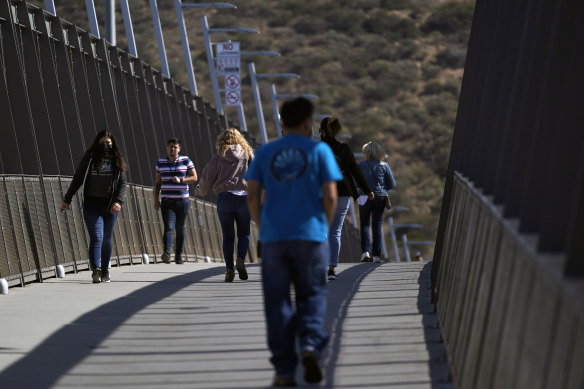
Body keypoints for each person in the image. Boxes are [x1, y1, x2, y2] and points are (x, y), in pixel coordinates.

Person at [245, 98, 342, 387]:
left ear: (282, 123)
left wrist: (264, 227)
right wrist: (322, 227)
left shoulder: (265, 152)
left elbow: (251, 195)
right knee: (311, 295)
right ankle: (310, 346)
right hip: (310, 236)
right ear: (307, 122)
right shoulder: (319, 150)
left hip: (275, 238)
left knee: (277, 303)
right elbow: (331, 196)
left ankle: (284, 370)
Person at [60, 130, 128, 283]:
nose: (106, 145)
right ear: (98, 142)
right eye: (103, 142)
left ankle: (105, 270)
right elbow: (78, 178)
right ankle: (95, 270)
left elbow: (123, 182)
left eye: (109, 143)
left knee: (106, 238)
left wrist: (118, 201)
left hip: (110, 207)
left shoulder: (117, 159)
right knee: (96, 237)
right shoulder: (90, 158)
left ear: (113, 144)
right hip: (91, 205)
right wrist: (67, 199)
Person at [319, 117, 374, 280]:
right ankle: (331, 269)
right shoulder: (344, 148)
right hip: (343, 192)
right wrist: (367, 190)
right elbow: (356, 171)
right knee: (335, 232)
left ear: (322, 131)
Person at [195, 128, 253, 282]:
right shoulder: (247, 155)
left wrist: (199, 191)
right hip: (243, 198)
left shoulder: (218, 158)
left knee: (228, 236)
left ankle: (229, 269)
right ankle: (240, 259)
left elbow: (207, 179)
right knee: (244, 234)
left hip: (225, 198)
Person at [153, 138, 197, 264]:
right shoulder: (160, 162)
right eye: (170, 146)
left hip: (183, 200)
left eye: (175, 147)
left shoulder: (186, 160)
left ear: (179, 148)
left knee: (180, 228)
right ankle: (167, 253)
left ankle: (178, 255)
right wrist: (156, 200)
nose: (173, 149)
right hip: (167, 201)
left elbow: (194, 177)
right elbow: (157, 183)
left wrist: (182, 180)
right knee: (169, 227)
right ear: (167, 147)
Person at [358, 141, 396, 263]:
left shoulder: (360, 165)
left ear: (366, 153)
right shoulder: (384, 166)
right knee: (377, 225)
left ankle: (365, 252)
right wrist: (382, 189)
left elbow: (354, 183)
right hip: (379, 197)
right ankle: (377, 256)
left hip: (363, 196)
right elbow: (392, 184)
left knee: (364, 224)